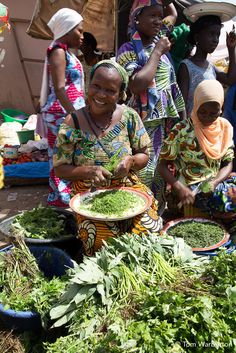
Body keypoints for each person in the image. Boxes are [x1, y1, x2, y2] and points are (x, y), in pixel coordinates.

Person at [53, 60, 163, 256]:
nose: (101, 94)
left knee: (149, 228)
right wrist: (89, 171)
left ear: (121, 94)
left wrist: (130, 161)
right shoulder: (73, 122)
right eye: (96, 86)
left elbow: (144, 155)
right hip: (88, 192)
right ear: (88, 85)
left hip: (127, 186)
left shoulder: (129, 117)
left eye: (110, 90)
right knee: (102, 237)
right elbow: (60, 169)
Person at [117, 0, 185, 213]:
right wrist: (157, 52)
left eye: (159, 15)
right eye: (152, 16)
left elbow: (172, 14)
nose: (158, 20)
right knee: (142, 176)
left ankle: (156, 216)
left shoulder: (159, 37)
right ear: (137, 17)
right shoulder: (127, 50)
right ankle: (141, 218)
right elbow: (136, 85)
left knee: (160, 174)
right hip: (141, 127)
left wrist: (182, 124)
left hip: (164, 126)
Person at [159, 80, 236, 217]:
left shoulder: (224, 128)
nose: (207, 117)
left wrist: (215, 181)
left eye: (213, 113)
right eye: (202, 112)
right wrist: (179, 188)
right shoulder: (182, 130)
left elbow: (228, 163)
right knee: (224, 200)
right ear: (195, 105)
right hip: (191, 186)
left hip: (214, 183)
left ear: (221, 109)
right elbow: (162, 166)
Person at [39, 8, 85, 207]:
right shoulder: (58, 51)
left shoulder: (65, 51)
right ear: (66, 29)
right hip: (61, 114)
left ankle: (67, 198)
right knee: (61, 159)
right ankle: (61, 201)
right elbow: (59, 88)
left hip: (66, 114)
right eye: (79, 31)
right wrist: (74, 115)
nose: (82, 36)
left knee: (68, 157)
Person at [178, 15, 236, 116]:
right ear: (197, 37)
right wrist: (185, 127)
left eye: (218, 35)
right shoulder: (186, 66)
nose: (215, 40)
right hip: (192, 126)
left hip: (208, 126)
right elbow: (181, 102)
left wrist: (231, 49)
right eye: (211, 34)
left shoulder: (210, 66)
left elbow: (230, 80)